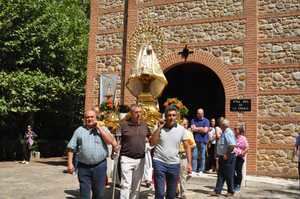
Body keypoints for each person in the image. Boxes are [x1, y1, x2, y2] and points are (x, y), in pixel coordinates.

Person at [67, 110, 118, 199]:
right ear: (84, 119)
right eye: (87, 117)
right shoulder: (79, 130)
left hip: (100, 166)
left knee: (99, 193)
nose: (89, 119)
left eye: (92, 117)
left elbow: (110, 141)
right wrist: (70, 163)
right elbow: (71, 148)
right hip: (83, 167)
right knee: (84, 193)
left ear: (96, 118)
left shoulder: (103, 128)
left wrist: (99, 128)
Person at [150, 106, 192, 199]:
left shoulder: (181, 130)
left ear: (176, 116)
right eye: (169, 115)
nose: (171, 117)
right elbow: (152, 142)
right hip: (159, 162)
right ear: (165, 116)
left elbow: (187, 146)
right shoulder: (159, 128)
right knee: (160, 192)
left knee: (171, 194)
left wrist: (189, 163)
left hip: (174, 164)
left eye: (174, 115)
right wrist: (159, 128)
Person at [119, 104, 151, 199]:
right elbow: (118, 140)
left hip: (140, 159)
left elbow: (150, 137)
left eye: (140, 112)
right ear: (131, 113)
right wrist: (115, 149)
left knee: (136, 186)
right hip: (126, 158)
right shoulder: (124, 125)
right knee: (125, 184)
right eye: (136, 112)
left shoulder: (145, 125)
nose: (139, 114)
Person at [211, 118, 236, 197]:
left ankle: (231, 191)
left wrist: (226, 154)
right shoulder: (224, 132)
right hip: (223, 156)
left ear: (223, 125)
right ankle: (217, 191)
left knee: (229, 174)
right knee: (221, 174)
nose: (220, 126)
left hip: (228, 156)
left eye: (221, 125)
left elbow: (232, 145)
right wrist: (219, 153)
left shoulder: (228, 133)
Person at [177, 117, 196, 199]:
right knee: (173, 175)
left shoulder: (189, 133)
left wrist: (187, 147)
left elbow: (194, 145)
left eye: (186, 124)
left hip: (183, 155)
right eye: (183, 124)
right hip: (174, 155)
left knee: (183, 176)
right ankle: (175, 191)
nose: (184, 125)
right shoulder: (176, 132)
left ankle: (183, 193)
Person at [191, 108, 209, 175]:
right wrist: (201, 128)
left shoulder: (206, 121)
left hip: (203, 141)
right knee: (194, 155)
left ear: (203, 113)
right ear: (197, 114)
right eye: (199, 113)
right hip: (195, 140)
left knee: (202, 156)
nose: (200, 114)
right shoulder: (193, 120)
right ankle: (194, 170)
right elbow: (193, 129)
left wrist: (197, 128)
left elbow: (205, 130)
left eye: (201, 113)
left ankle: (201, 170)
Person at [233, 125, 249, 192]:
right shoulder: (233, 137)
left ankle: (238, 185)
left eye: (236, 129)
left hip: (240, 157)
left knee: (238, 171)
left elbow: (247, 147)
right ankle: (234, 183)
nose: (234, 130)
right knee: (232, 171)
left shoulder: (243, 138)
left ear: (239, 130)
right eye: (234, 129)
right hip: (233, 156)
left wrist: (243, 152)